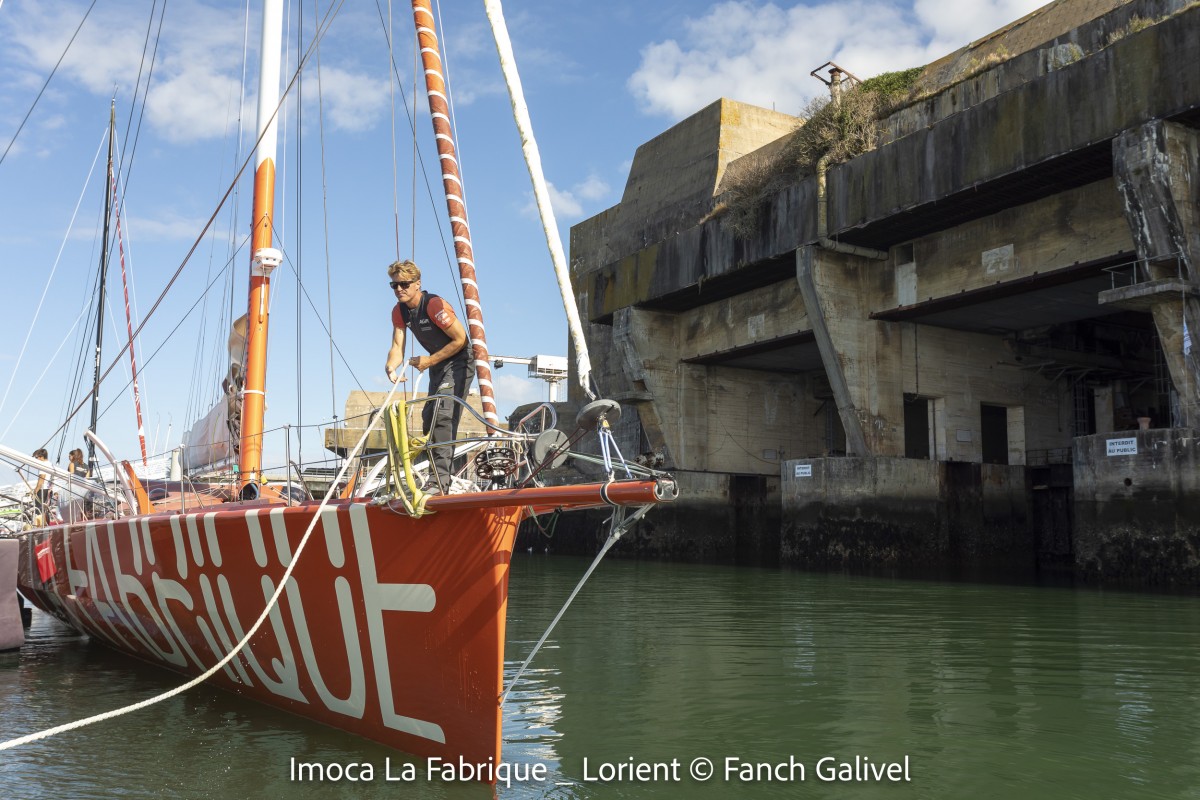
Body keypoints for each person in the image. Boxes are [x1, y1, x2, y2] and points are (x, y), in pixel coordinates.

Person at [384, 259, 473, 494]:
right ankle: (429, 476)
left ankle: (439, 482)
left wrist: (430, 361)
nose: (399, 289)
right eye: (394, 285)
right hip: (437, 363)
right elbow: (397, 345)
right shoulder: (399, 311)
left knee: (442, 416)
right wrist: (391, 367)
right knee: (428, 417)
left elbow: (460, 339)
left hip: (459, 361)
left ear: (417, 284)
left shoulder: (434, 305)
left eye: (404, 284)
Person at [31, 448, 52, 525]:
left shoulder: (43, 465)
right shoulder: (50, 464)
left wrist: (35, 491)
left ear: (41, 457)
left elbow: (41, 479)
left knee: (39, 510)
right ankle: (46, 524)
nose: (36, 459)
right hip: (48, 489)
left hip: (42, 490)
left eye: (36, 457)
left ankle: (40, 525)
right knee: (45, 510)